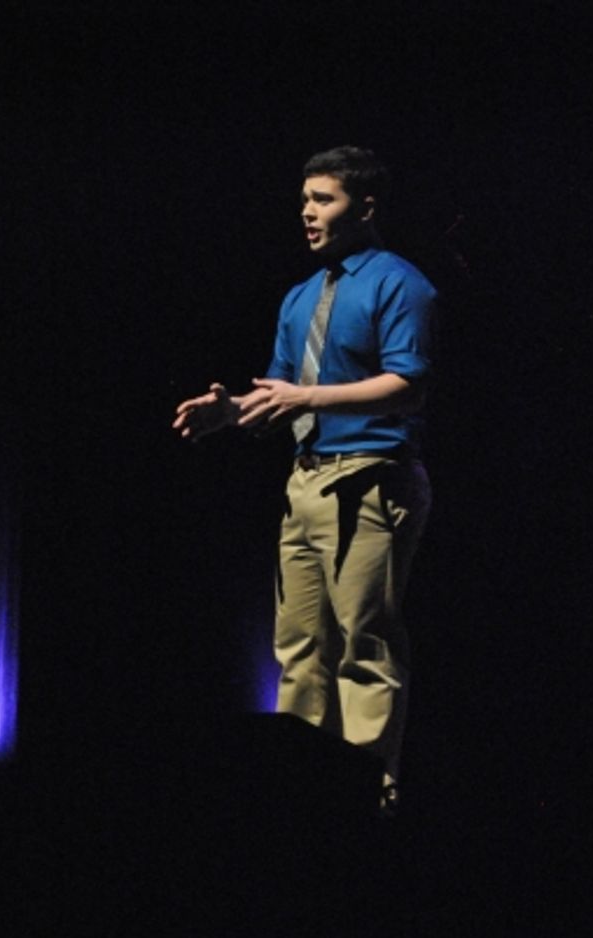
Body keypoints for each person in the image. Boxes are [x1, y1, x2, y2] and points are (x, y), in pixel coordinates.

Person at [173, 146, 434, 815]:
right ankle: (297, 796)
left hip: (371, 479)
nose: (309, 214)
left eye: (324, 200)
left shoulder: (398, 283)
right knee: (299, 649)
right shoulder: (300, 297)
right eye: (304, 201)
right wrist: (230, 412)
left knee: (363, 644)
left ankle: (372, 798)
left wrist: (310, 400)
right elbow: (281, 396)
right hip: (307, 483)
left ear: (365, 207)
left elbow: (408, 386)